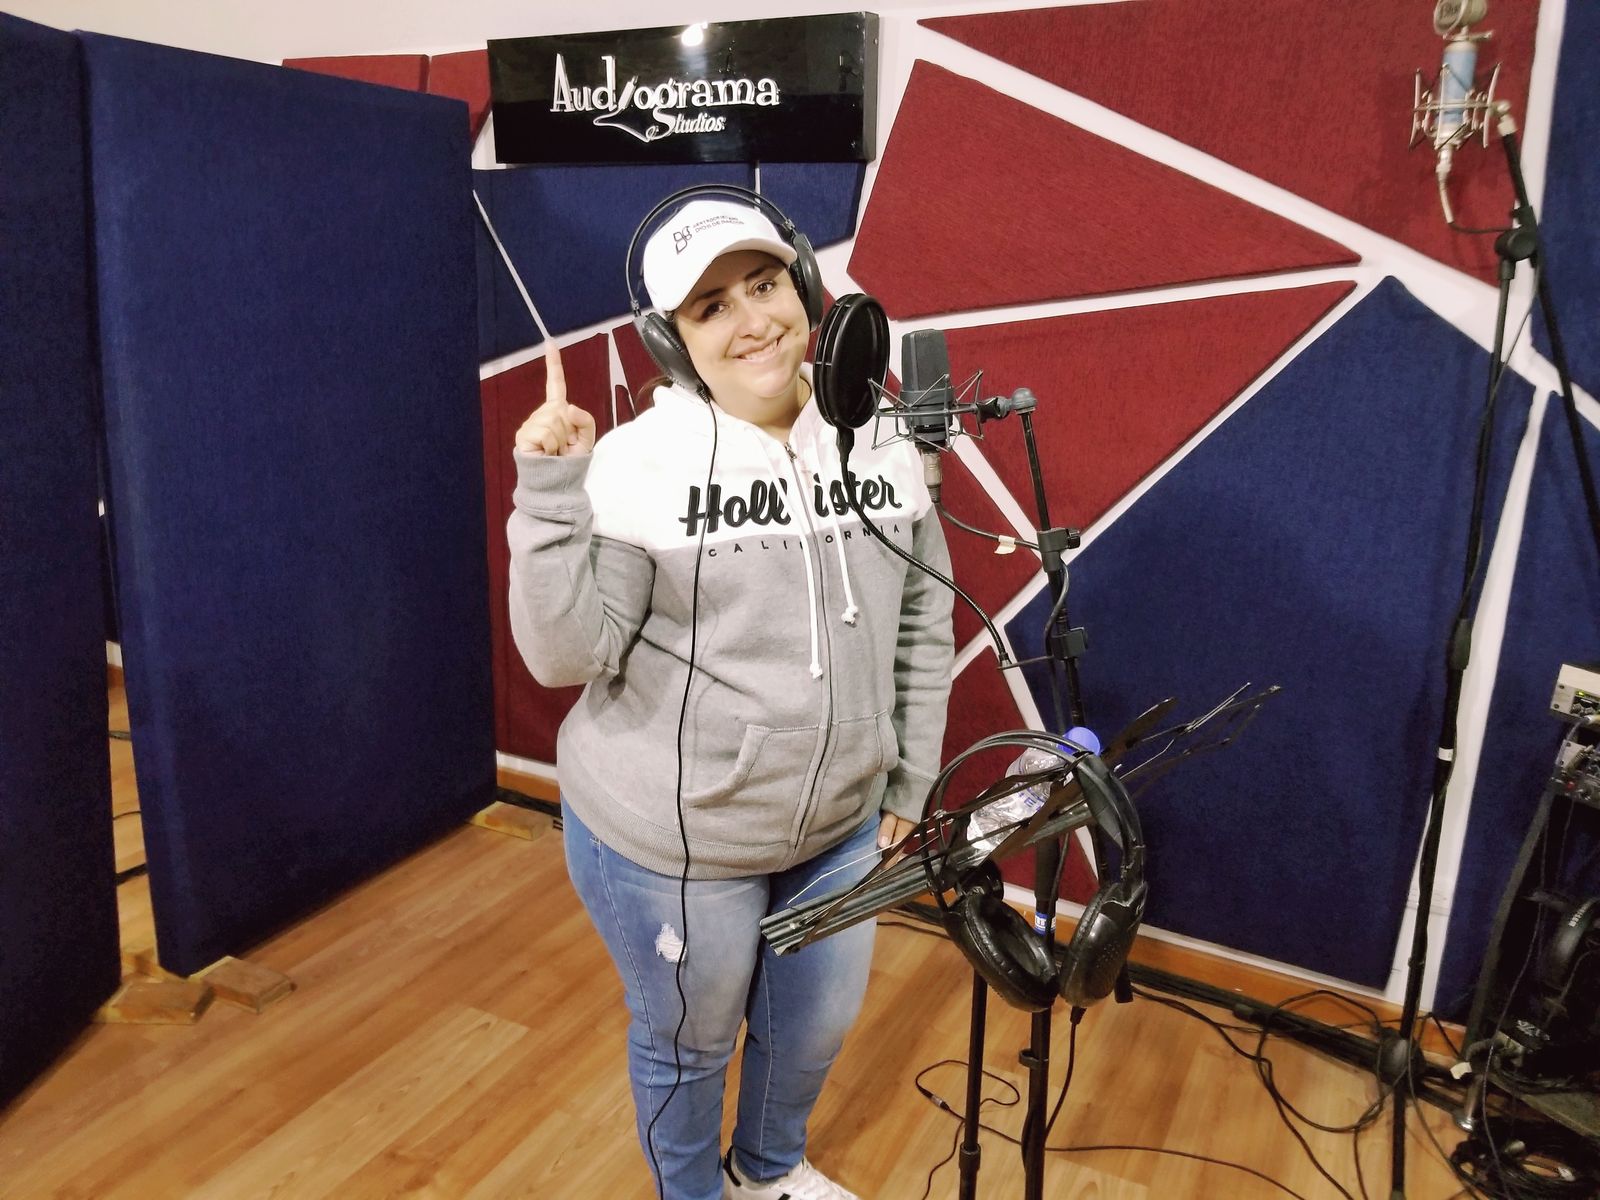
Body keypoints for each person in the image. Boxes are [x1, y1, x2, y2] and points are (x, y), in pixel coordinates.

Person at [507, 192, 954, 1200]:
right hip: (677, 836)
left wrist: (910, 773)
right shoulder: (637, 465)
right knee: (689, 1041)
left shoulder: (881, 436)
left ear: (806, 286)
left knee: (812, 1029)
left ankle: (767, 1172)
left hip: (840, 820)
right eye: (711, 307)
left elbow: (925, 617)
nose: (752, 321)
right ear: (673, 341)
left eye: (763, 285)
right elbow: (566, 656)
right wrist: (550, 495)